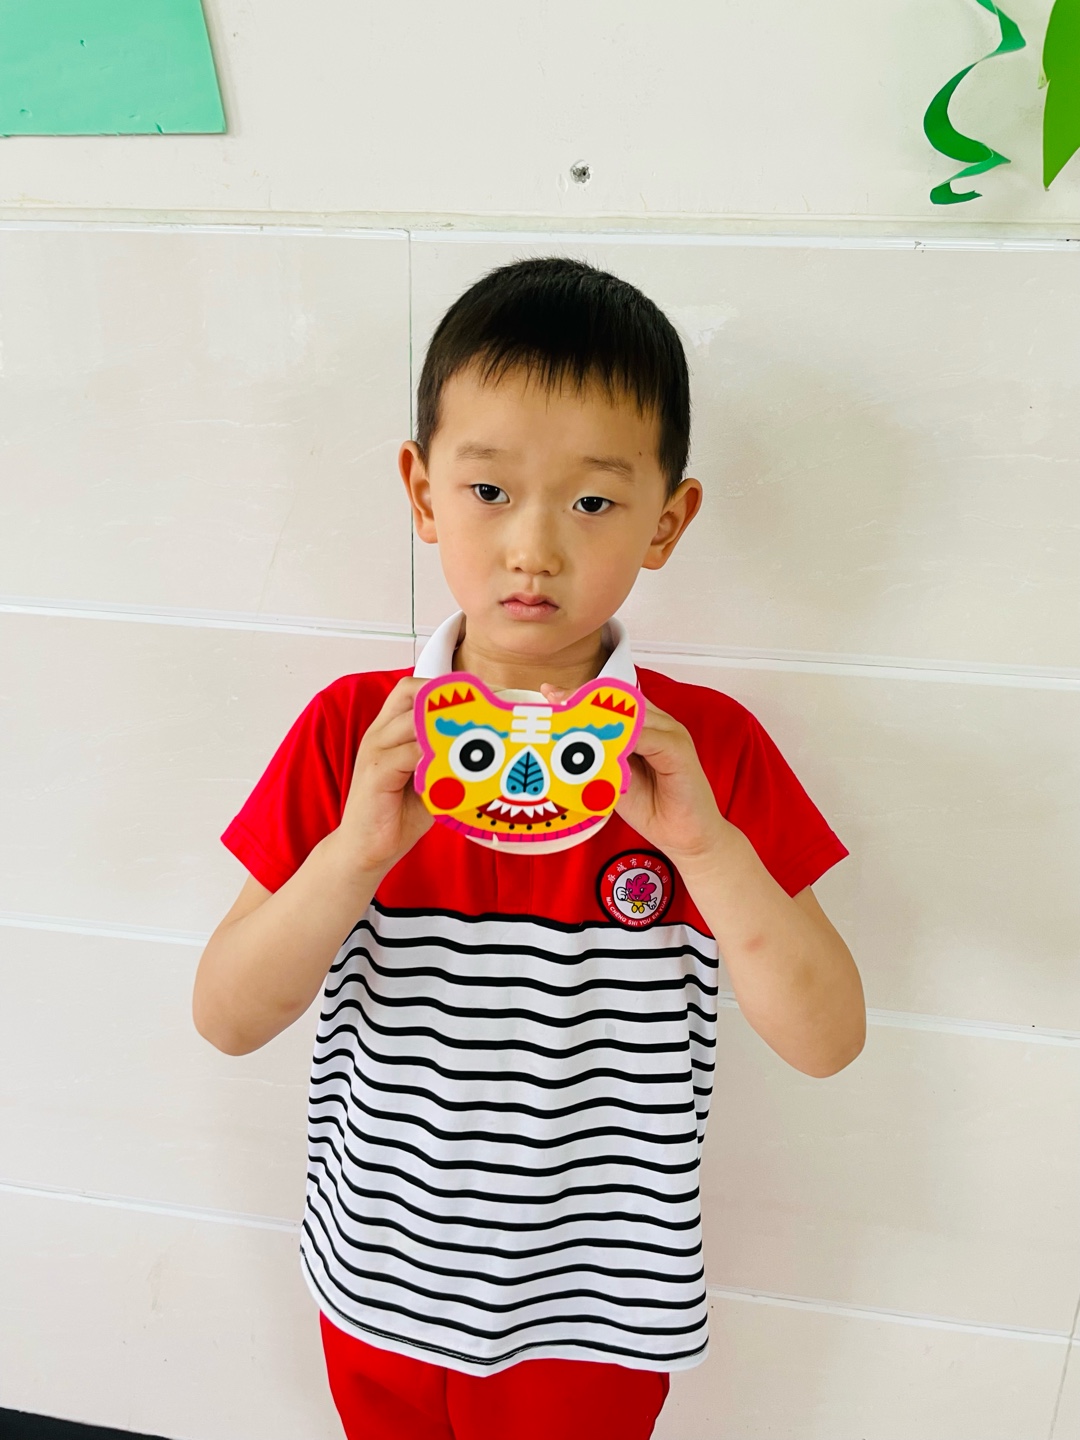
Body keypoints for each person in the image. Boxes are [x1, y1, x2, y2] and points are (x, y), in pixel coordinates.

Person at [192, 256, 866, 1440]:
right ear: (422, 494)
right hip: (375, 1286)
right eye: (491, 489)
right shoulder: (351, 733)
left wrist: (708, 851)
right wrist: (353, 855)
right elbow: (227, 1017)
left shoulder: (707, 754)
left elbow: (828, 1041)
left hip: (598, 1318)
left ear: (667, 522)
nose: (534, 548)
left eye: (593, 502)